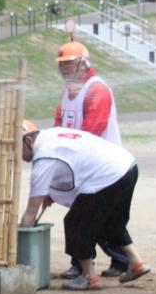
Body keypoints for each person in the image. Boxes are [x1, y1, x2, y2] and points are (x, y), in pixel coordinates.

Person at [19, 125, 150, 290]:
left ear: (28, 140)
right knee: (111, 223)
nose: (17, 155)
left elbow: (31, 213)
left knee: (75, 223)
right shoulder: (52, 135)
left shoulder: (44, 158)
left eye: (17, 149)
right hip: (127, 166)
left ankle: (89, 277)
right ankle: (137, 262)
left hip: (107, 176)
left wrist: (21, 241)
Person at [52, 40, 128, 280]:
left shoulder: (97, 89)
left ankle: (112, 260)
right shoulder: (68, 92)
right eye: (61, 65)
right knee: (87, 217)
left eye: (69, 64)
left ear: (83, 64)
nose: (64, 69)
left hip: (100, 166)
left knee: (89, 218)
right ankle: (117, 260)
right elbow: (59, 125)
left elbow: (93, 129)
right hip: (80, 164)